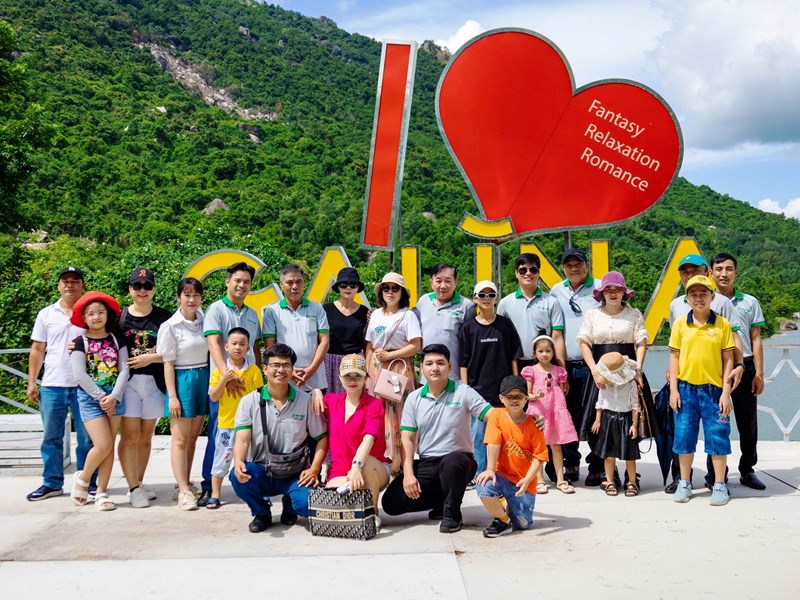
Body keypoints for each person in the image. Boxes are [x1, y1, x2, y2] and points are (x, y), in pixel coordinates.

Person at [381, 344, 492, 534]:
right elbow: (407, 438)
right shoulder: (415, 398)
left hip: (459, 461)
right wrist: (408, 474)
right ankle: (443, 500)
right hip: (427, 462)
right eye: (429, 363)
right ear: (422, 368)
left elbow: (493, 416)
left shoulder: (463, 392)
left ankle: (452, 514)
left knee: (452, 461)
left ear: (449, 366)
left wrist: (525, 419)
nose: (435, 368)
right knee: (391, 503)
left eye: (440, 363)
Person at [665, 254, 744, 492]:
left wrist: (726, 392)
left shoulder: (722, 324)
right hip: (686, 390)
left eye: (703, 294)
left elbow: (728, 358)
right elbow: (674, 356)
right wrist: (673, 390)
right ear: (687, 298)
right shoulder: (680, 323)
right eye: (693, 294)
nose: (699, 298)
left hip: (714, 390)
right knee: (684, 438)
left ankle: (719, 484)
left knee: (718, 438)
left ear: (712, 296)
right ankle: (685, 483)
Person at [230, 344, 328, 532]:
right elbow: (242, 440)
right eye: (275, 365)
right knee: (238, 476)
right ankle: (261, 512)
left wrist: (314, 469)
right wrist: (238, 461)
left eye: (286, 365)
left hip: (295, 473)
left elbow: (322, 438)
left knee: (308, 507)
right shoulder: (249, 401)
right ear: (265, 368)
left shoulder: (305, 401)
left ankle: (290, 502)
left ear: (293, 369)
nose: (280, 370)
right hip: (263, 469)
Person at [577, 271, 656, 487]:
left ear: (624, 292)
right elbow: (584, 342)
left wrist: (637, 371)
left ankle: (631, 475)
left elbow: (641, 342)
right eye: (608, 290)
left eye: (617, 289)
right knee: (600, 424)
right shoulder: (593, 315)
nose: (613, 294)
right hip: (601, 372)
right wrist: (593, 370)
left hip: (628, 372)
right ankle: (607, 472)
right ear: (602, 293)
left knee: (631, 421)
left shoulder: (634, 314)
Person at [26, 266, 96, 501]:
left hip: (85, 385)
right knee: (51, 437)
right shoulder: (47, 314)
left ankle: (88, 482)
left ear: (82, 286)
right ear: (58, 285)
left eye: (75, 281)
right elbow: (37, 349)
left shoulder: (91, 313)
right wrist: (32, 382)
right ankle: (52, 483)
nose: (70, 284)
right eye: (65, 281)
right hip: (53, 383)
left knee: (87, 437)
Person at [199, 262, 262, 506]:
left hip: (248, 384)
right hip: (224, 386)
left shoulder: (252, 314)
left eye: (246, 282)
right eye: (237, 280)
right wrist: (227, 374)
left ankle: (250, 484)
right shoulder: (216, 309)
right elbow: (214, 343)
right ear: (227, 282)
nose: (242, 285)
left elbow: (255, 347)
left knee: (252, 436)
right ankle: (209, 487)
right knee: (219, 436)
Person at [710, 252, 767, 490]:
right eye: (719, 268)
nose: (724, 273)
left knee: (747, 421)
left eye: (729, 269)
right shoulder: (705, 300)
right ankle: (715, 473)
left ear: (736, 272)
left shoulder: (749, 302)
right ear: (711, 272)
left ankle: (747, 469)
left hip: (744, 366)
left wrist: (759, 373)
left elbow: (755, 338)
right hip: (714, 367)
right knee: (715, 420)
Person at [69, 292, 129, 511]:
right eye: (91, 314)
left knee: (108, 446)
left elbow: (124, 369)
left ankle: (101, 492)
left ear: (108, 315)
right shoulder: (79, 342)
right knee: (101, 444)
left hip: (116, 398)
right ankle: (83, 478)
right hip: (90, 400)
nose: (96, 317)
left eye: (100, 313)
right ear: (84, 317)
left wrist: (114, 396)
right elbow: (79, 375)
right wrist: (101, 397)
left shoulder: (116, 339)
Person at [316, 354, 390, 528]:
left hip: (374, 467)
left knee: (367, 463)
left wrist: (357, 466)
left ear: (366, 378)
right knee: (334, 504)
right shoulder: (331, 402)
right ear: (339, 378)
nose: (352, 380)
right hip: (341, 470)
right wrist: (315, 392)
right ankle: (359, 509)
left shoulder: (374, 404)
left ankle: (372, 513)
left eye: (358, 375)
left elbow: (369, 438)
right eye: (347, 375)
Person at [458, 280, 522, 484]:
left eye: (491, 295)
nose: (486, 299)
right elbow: (463, 362)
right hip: (478, 392)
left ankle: (507, 472)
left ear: (496, 298)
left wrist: (516, 384)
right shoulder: (468, 327)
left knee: (507, 436)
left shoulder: (505, 324)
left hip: (503, 390)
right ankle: (479, 474)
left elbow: (513, 357)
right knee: (479, 438)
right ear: (475, 298)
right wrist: (466, 389)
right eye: (482, 295)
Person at [118, 268, 172, 509]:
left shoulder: (164, 318)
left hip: (154, 382)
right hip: (127, 382)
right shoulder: (118, 318)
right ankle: (132, 487)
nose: (142, 290)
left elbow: (173, 352)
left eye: (147, 286)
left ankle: (138, 482)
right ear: (130, 289)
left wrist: (150, 358)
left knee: (146, 437)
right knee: (129, 436)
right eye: (137, 286)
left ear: (154, 289)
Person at [549, 248, 601, 483]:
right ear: (563, 268)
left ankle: (598, 465)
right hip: (566, 364)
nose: (573, 268)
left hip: (595, 366)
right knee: (565, 416)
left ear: (587, 265)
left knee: (596, 415)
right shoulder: (556, 290)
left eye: (578, 263)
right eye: (568, 264)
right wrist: (558, 370)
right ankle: (570, 463)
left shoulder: (600, 288)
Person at [157, 277, 209, 511]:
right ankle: (184, 491)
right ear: (178, 297)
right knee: (179, 439)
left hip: (203, 377)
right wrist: (173, 396)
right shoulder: (170, 326)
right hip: (181, 380)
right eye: (187, 295)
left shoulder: (204, 320)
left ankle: (184, 484)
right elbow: (167, 363)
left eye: (196, 295)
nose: (191, 299)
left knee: (192, 438)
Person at [475, 375, 549, 538]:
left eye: (519, 397)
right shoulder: (496, 415)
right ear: (501, 398)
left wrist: (528, 480)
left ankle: (506, 503)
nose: (514, 401)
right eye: (510, 397)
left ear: (526, 398)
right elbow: (493, 442)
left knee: (523, 525)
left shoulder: (534, 424)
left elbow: (540, 456)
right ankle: (502, 520)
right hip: (503, 477)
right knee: (483, 484)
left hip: (524, 484)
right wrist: (489, 469)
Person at [365, 272, 422, 474]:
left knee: (399, 415)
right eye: (386, 288)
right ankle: (382, 459)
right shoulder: (376, 315)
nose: (390, 292)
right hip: (376, 368)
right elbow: (370, 345)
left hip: (397, 367)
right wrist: (367, 370)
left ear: (402, 293)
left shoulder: (408, 316)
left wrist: (391, 355)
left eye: (395, 288)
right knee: (377, 413)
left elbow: (416, 345)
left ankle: (400, 462)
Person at [207, 327, 264, 508]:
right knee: (221, 460)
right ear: (226, 346)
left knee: (250, 462)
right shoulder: (218, 371)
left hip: (249, 427)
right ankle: (215, 494)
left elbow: (260, 396)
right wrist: (225, 379)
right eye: (234, 344)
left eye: (242, 344)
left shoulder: (254, 371)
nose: (237, 347)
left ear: (248, 348)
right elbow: (213, 397)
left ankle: (254, 493)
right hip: (227, 424)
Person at [521, 335, 577, 494]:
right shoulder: (530, 371)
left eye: (548, 351)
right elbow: (527, 394)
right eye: (541, 351)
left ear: (553, 352)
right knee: (538, 447)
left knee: (557, 446)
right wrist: (535, 396)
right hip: (539, 412)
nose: (544, 354)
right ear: (535, 353)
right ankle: (539, 480)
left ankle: (561, 479)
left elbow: (561, 391)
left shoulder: (559, 370)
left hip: (555, 410)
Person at [262, 264, 330, 393]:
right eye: (289, 282)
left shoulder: (317, 308)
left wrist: (311, 369)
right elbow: (270, 348)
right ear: (281, 284)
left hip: (315, 379)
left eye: (299, 281)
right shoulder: (272, 311)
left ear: (304, 282)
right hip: (284, 379)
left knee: (316, 413)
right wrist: (290, 371)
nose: (295, 286)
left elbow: (325, 342)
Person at [589, 352, 643, 497]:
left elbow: (635, 405)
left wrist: (634, 424)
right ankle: (610, 480)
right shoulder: (604, 385)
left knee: (629, 454)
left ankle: (632, 481)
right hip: (608, 418)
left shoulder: (630, 383)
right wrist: (598, 419)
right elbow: (600, 403)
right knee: (609, 454)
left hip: (626, 419)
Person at [497, 253, 566, 365]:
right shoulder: (505, 303)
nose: (528, 273)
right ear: (516, 273)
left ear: (538, 273)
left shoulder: (551, 301)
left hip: (543, 363)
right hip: (513, 363)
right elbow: (500, 338)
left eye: (533, 270)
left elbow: (557, 338)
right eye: (523, 270)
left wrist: (561, 370)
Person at [413, 263, 473, 380]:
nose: (443, 286)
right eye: (438, 281)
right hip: (427, 375)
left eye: (448, 281)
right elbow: (407, 321)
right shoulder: (423, 301)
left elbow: (470, 343)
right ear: (431, 282)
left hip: (454, 375)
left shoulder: (466, 306)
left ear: (456, 281)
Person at [322, 267, 369, 395]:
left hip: (355, 363)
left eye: (352, 285)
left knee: (355, 400)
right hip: (330, 362)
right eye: (344, 284)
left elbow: (366, 341)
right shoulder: (326, 310)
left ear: (358, 288)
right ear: (338, 287)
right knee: (331, 401)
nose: (348, 288)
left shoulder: (365, 312)